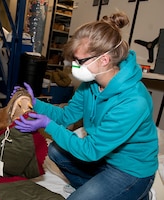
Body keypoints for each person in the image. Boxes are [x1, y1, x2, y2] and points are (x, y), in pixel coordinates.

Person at [13, 12, 158, 200]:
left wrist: (47, 125)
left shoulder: (133, 101)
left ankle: (135, 193)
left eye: (79, 61)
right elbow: (65, 117)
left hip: (131, 170)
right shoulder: (90, 85)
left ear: (104, 60)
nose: (74, 66)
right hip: (105, 158)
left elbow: (90, 151)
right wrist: (35, 103)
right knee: (56, 151)